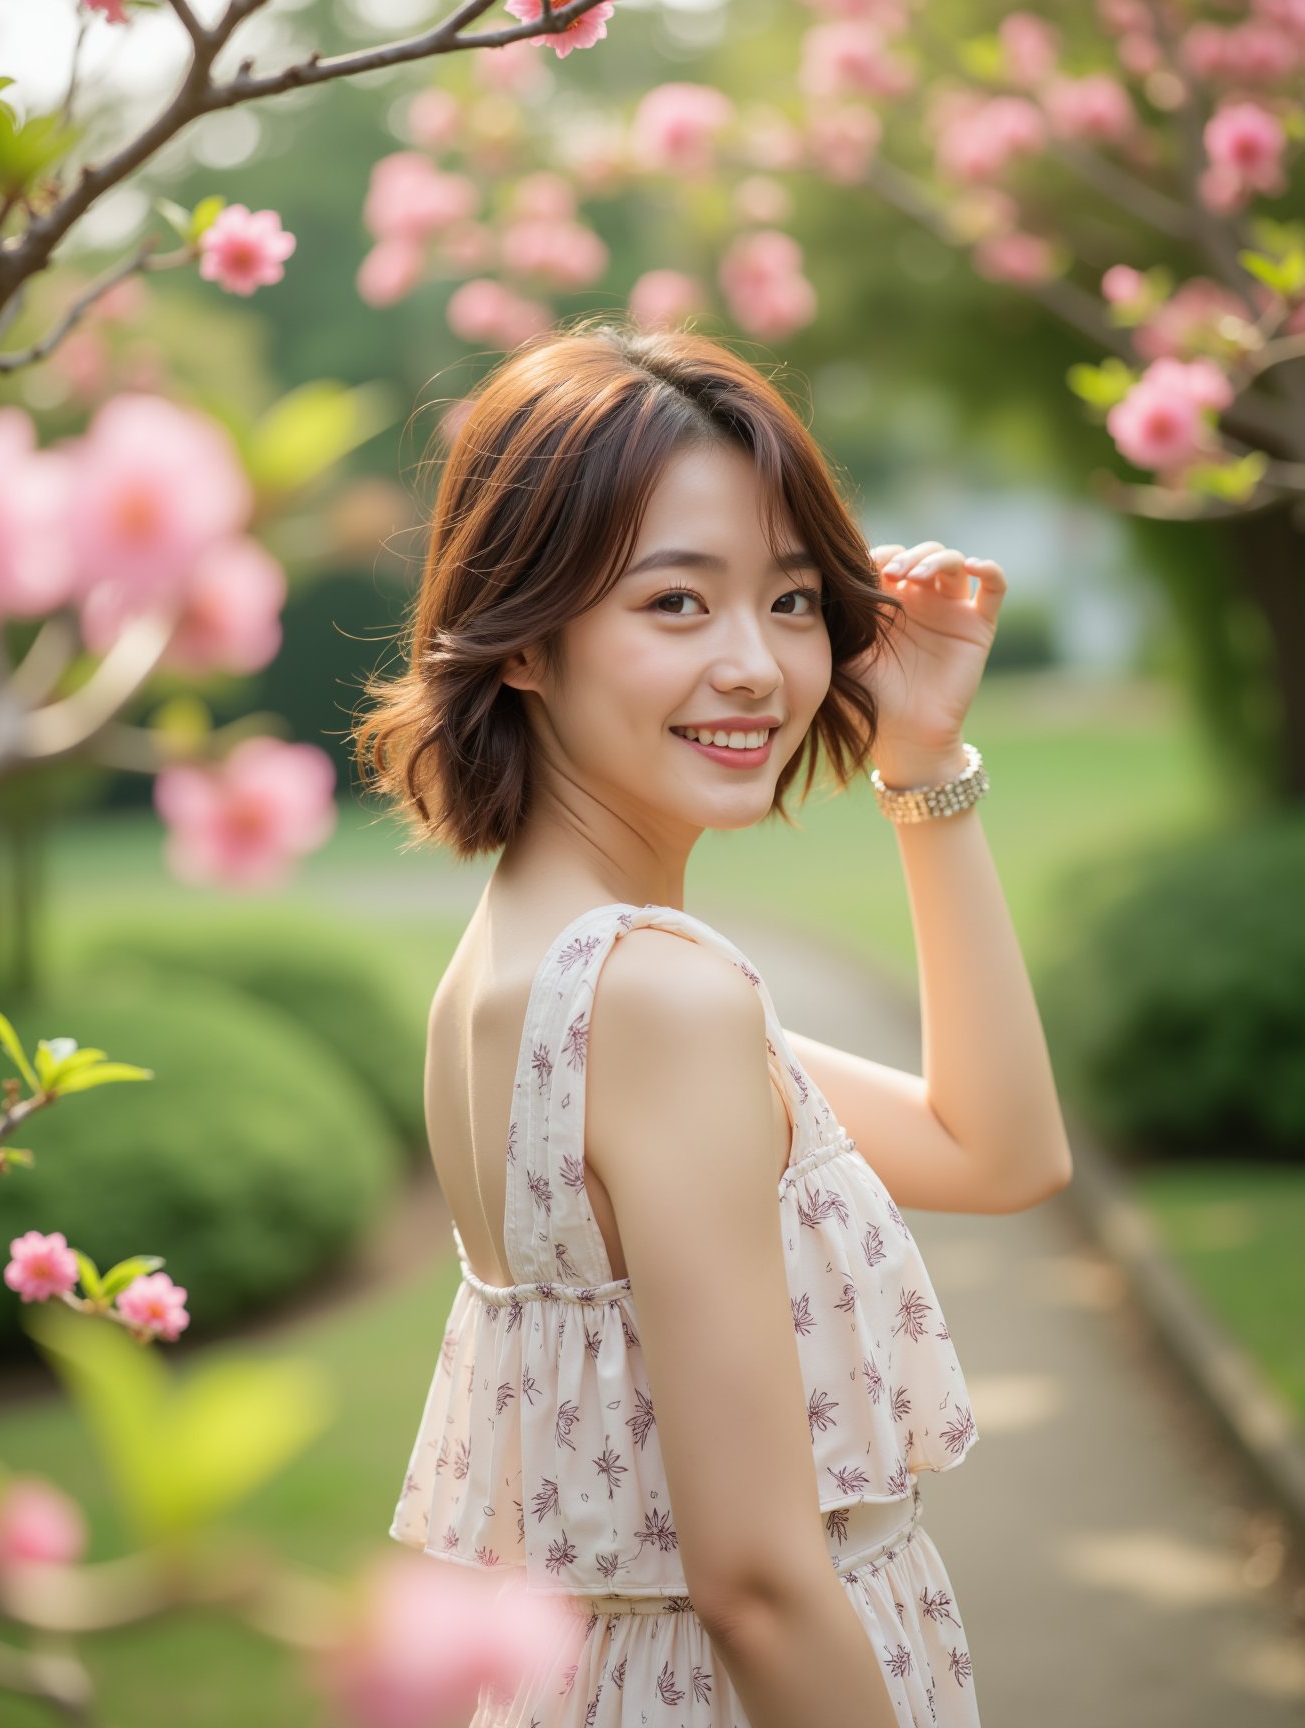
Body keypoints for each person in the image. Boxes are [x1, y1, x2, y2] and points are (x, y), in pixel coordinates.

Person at [352, 315, 1073, 1728]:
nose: (755, 665)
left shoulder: (537, 969)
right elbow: (755, 1582)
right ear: (522, 643)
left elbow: (997, 1151)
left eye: (793, 600)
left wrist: (921, 761)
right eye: (676, 604)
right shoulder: (655, 999)